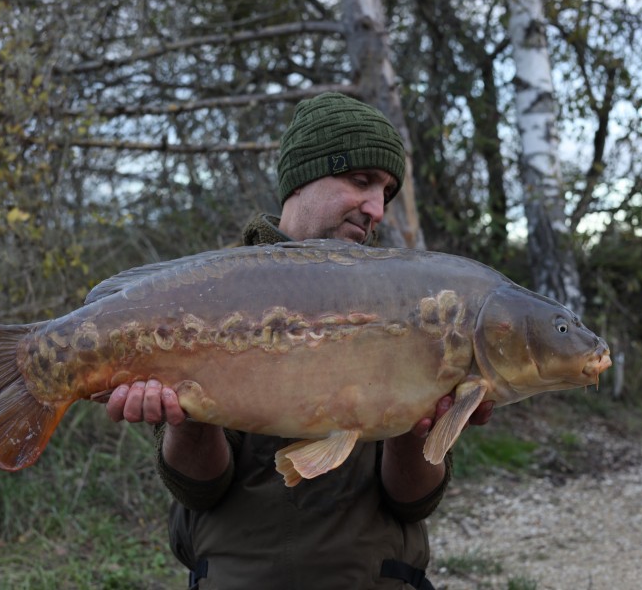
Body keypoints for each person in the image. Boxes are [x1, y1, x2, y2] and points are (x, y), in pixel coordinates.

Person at [105, 92, 493, 589]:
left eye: (386, 192)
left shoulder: (411, 300)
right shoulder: (208, 293)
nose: (376, 208)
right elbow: (200, 491)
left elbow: (411, 501)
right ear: (304, 180)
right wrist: (186, 419)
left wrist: (418, 426)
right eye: (360, 181)